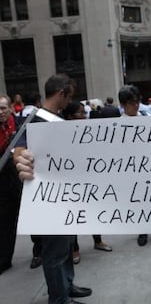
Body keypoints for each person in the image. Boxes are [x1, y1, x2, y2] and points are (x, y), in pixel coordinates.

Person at [14, 74, 92, 304]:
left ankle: (67, 285)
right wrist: (21, 160)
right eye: (69, 96)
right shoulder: (35, 119)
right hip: (48, 199)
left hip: (65, 196)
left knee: (66, 245)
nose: (70, 101)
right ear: (61, 93)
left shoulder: (55, 119)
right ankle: (58, 298)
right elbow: (18, 151)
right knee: (54, 252)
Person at [118, 85, 151, 248]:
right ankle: (143, 231)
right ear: (123, 104)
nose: (136, 105)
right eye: (132, 103)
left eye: (138, 101)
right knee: (138, 201)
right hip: (132, 170)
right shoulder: (117, 125)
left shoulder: (147, 119)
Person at [61, 101, 113, 264]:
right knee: (74, 214)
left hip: (89, 178)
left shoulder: (89, 131)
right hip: (71, 181)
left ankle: (98, 241)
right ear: (69, 117)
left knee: (92, 211)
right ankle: (74, 249)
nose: (84, 117)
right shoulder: (62, 134)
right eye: (80, 114)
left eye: (85, 113)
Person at [18, 91, 43, 269]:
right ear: (37, 101)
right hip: (35, 171)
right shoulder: (39, 116)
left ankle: (37, 252)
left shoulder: (18, 116)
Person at [0, 94, 22, 275]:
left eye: (3, 108)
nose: (0, 112)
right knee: (6, 220)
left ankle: (38, 252)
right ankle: (4, 259)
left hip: (20, 176)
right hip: (4, 182)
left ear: (10, 109)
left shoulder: (20, 124)